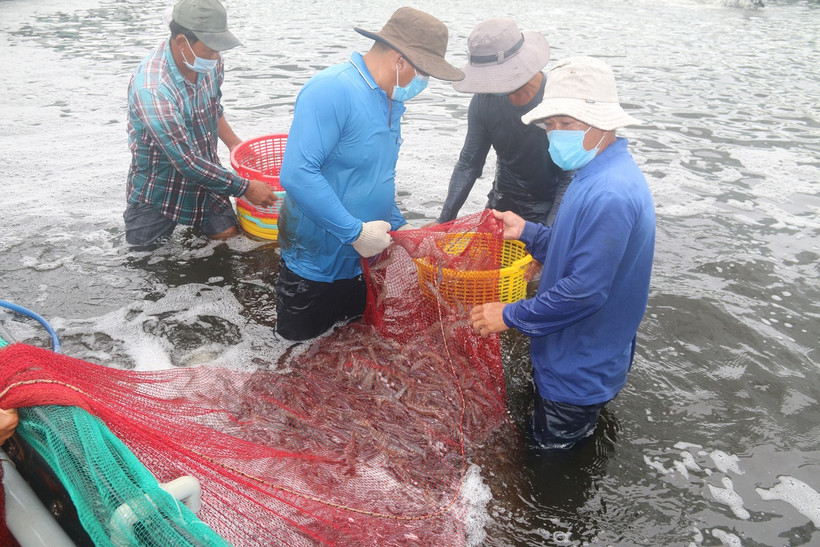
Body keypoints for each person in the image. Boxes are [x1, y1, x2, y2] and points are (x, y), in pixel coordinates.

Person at [469, 57, 656, 450]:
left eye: (567, 123)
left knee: (547, 463)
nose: (555, 134)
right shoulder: (593, 172)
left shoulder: (610, 194)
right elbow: (576, 248)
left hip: (577, 372)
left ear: (603, 122)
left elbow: (584, 292)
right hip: (573, 352)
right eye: (550, 125)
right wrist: (529, 232)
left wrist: (509, 315)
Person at [275, 7, 464, 341]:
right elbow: (297, 174)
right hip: (316, 264)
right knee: (298, 355)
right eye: (425, 73)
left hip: (366, 261)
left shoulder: (391, 102)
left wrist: (399, 223)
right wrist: (355, 233)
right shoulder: (332, 89)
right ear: (400, 61)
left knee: (354, 346)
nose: (425, 83)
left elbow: (372, 177)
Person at [124, 0, 278, 248]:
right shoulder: (153, 90)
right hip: (160, 189)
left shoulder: (210, 61)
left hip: (208, 178)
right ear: (181, 41)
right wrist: (245, 187)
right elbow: (186, 162)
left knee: (228, 241)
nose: (216, 57)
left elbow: (213, 107)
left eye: (219, 49)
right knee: (144, 258)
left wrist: (235, 145)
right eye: (209, 49)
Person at [435, 17, 568, 226]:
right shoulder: (483, 101)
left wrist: (549, 233)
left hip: (550, 208)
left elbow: (569, 176)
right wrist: (444, 220)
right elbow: (469, 163)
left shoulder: (558, 100)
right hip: (501, 205)